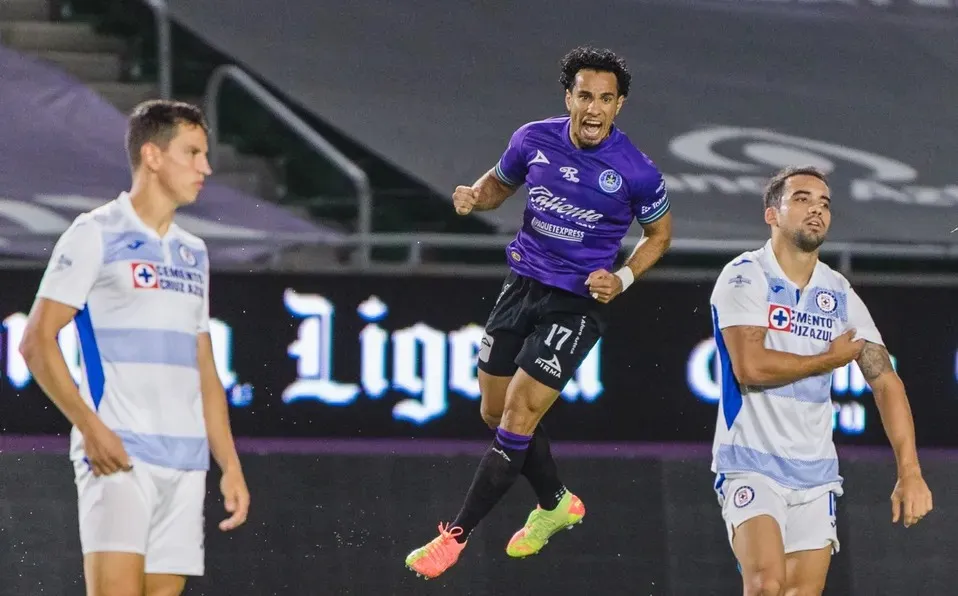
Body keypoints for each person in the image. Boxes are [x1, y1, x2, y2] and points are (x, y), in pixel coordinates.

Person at [405, 45, 673, 579]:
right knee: (493, 411)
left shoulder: (637, 171)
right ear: (568, 97)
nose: (593, 109)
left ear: (619, 105)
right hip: (521, 286)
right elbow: (497, 185)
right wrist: (473, 196)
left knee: (518, 415)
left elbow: (659, 235)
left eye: (605, 99)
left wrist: (621, 278)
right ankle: (556, 503)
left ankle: (454, 537)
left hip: (577, 303)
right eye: (584, 96)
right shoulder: (532, 139)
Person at [19, 100, 250, 596]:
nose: (206, 168)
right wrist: (91, 429)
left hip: (185, 463)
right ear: (153, 156)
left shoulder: (193, 252)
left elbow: (204, 369)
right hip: (121, 456)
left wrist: (229, 464)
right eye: (193, 153)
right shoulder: (95, 233)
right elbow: (36, 341)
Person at [708, 166, 933, 596]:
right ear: (772, 215)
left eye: (824, 203)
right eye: (802, 199)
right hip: (751, 464)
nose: (817, 210)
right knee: (766, 585)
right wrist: (828, 359)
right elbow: (750, 367)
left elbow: (885, 381)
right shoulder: (745, 275)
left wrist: (910, 472)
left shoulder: (839, 292)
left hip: (816, 474)